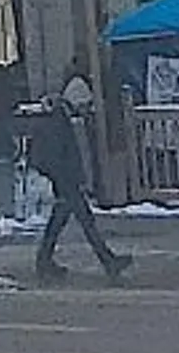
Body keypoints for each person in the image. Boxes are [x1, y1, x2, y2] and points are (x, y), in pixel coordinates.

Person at [24, 69, 130, 281]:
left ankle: (45, 261)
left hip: (65, 182)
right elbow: (58, 156)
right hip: (66, 182)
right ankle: (108, 261)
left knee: (61, 224)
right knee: (85, 222)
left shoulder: (59, 116)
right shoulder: (58, 120)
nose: (85, 109)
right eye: (84, 104)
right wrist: (67, 182)